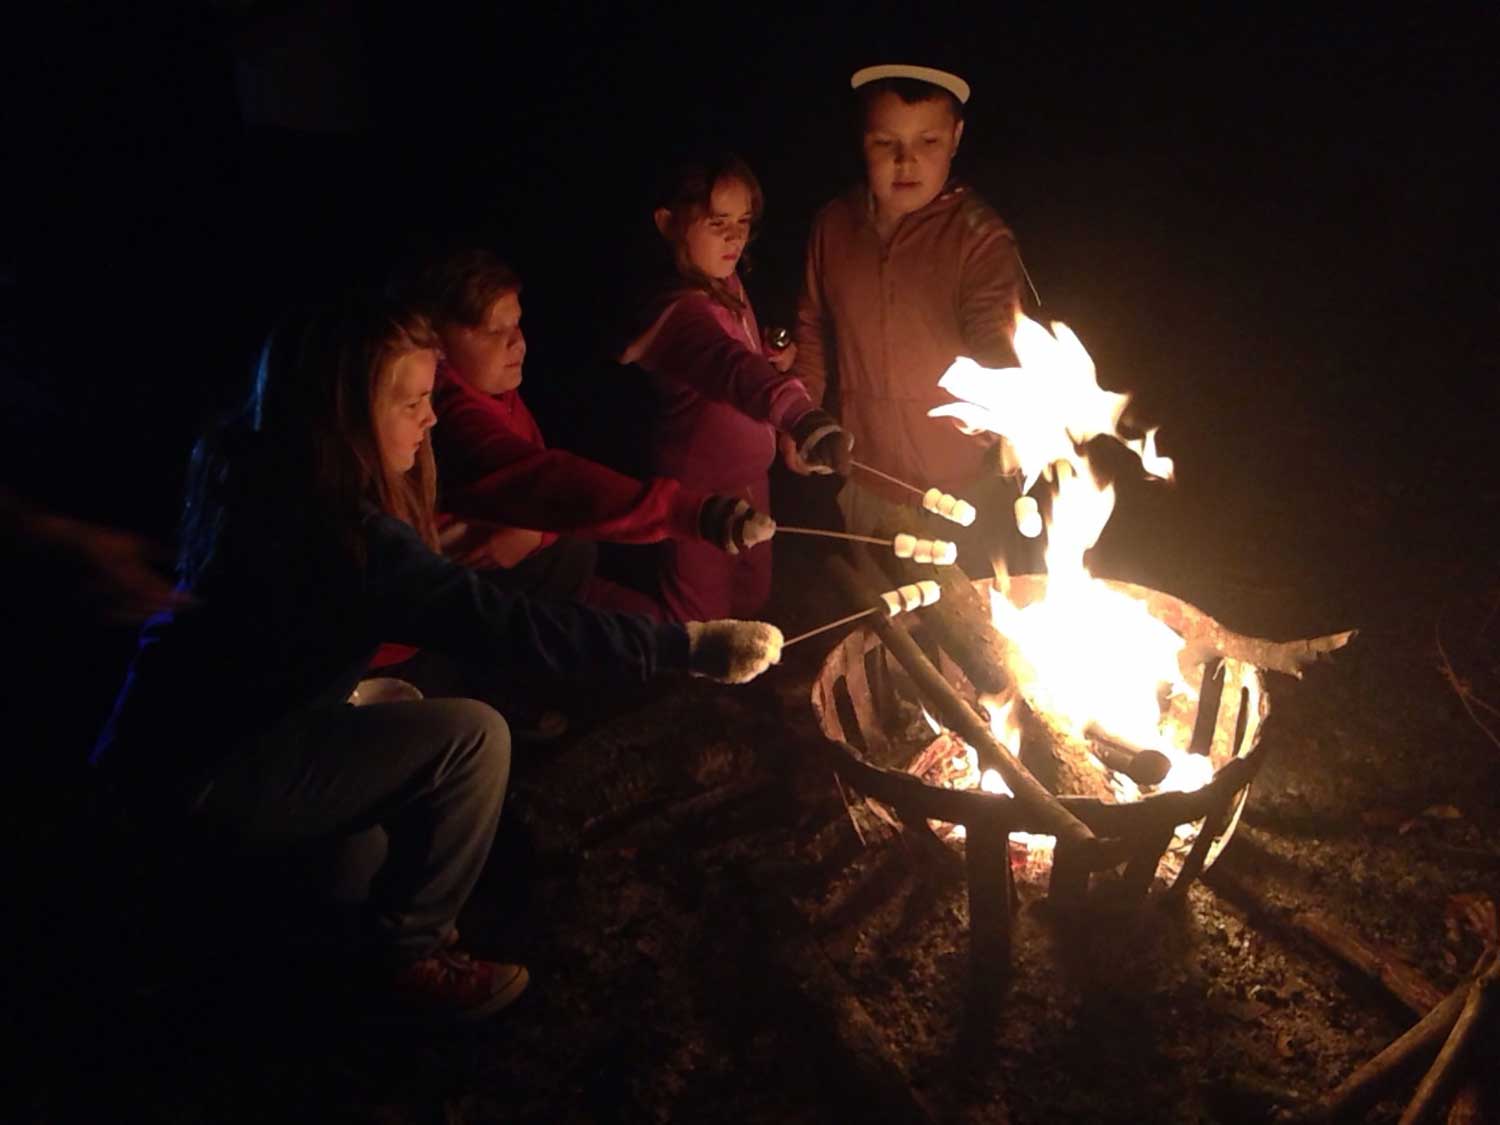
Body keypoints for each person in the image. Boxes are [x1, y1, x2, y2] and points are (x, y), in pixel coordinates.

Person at [91, 291, 783, 1022]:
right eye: (411, 401)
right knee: (472, 737)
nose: (430, 418)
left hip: (159, 747)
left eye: (431, 396)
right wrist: (686, 645)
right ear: (344, 409)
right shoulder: (346, 539)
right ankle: (410, 955)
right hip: (210, 767)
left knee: (381, 773)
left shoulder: (250, 458)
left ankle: (318, 919)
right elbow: (509, 626)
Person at [788, 64, 1029, 572]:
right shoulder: (834, 226)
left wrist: (1009, 414)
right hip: (865, 474)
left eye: (928, 141)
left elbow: (996, 337)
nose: (906, 161)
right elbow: (812, 329)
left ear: (956, 137)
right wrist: (800, 418)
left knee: (959, 633)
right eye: (885, 143)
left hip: (960, 486)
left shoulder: (978, 237)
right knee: (883, 625)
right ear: (861, 139)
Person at [620, 152, 852, 621]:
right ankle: (659, 670)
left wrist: (771, 359)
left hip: (751, 481)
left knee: (752, 595)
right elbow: (728, 367)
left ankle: (744, 689)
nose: (735, 236)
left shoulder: (726, 284)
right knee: (700, 619)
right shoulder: (676, 314)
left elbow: (743, 357)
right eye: (716, 222)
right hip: (697, 498)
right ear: (668, 223)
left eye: (743, 221)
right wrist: (802, 416)